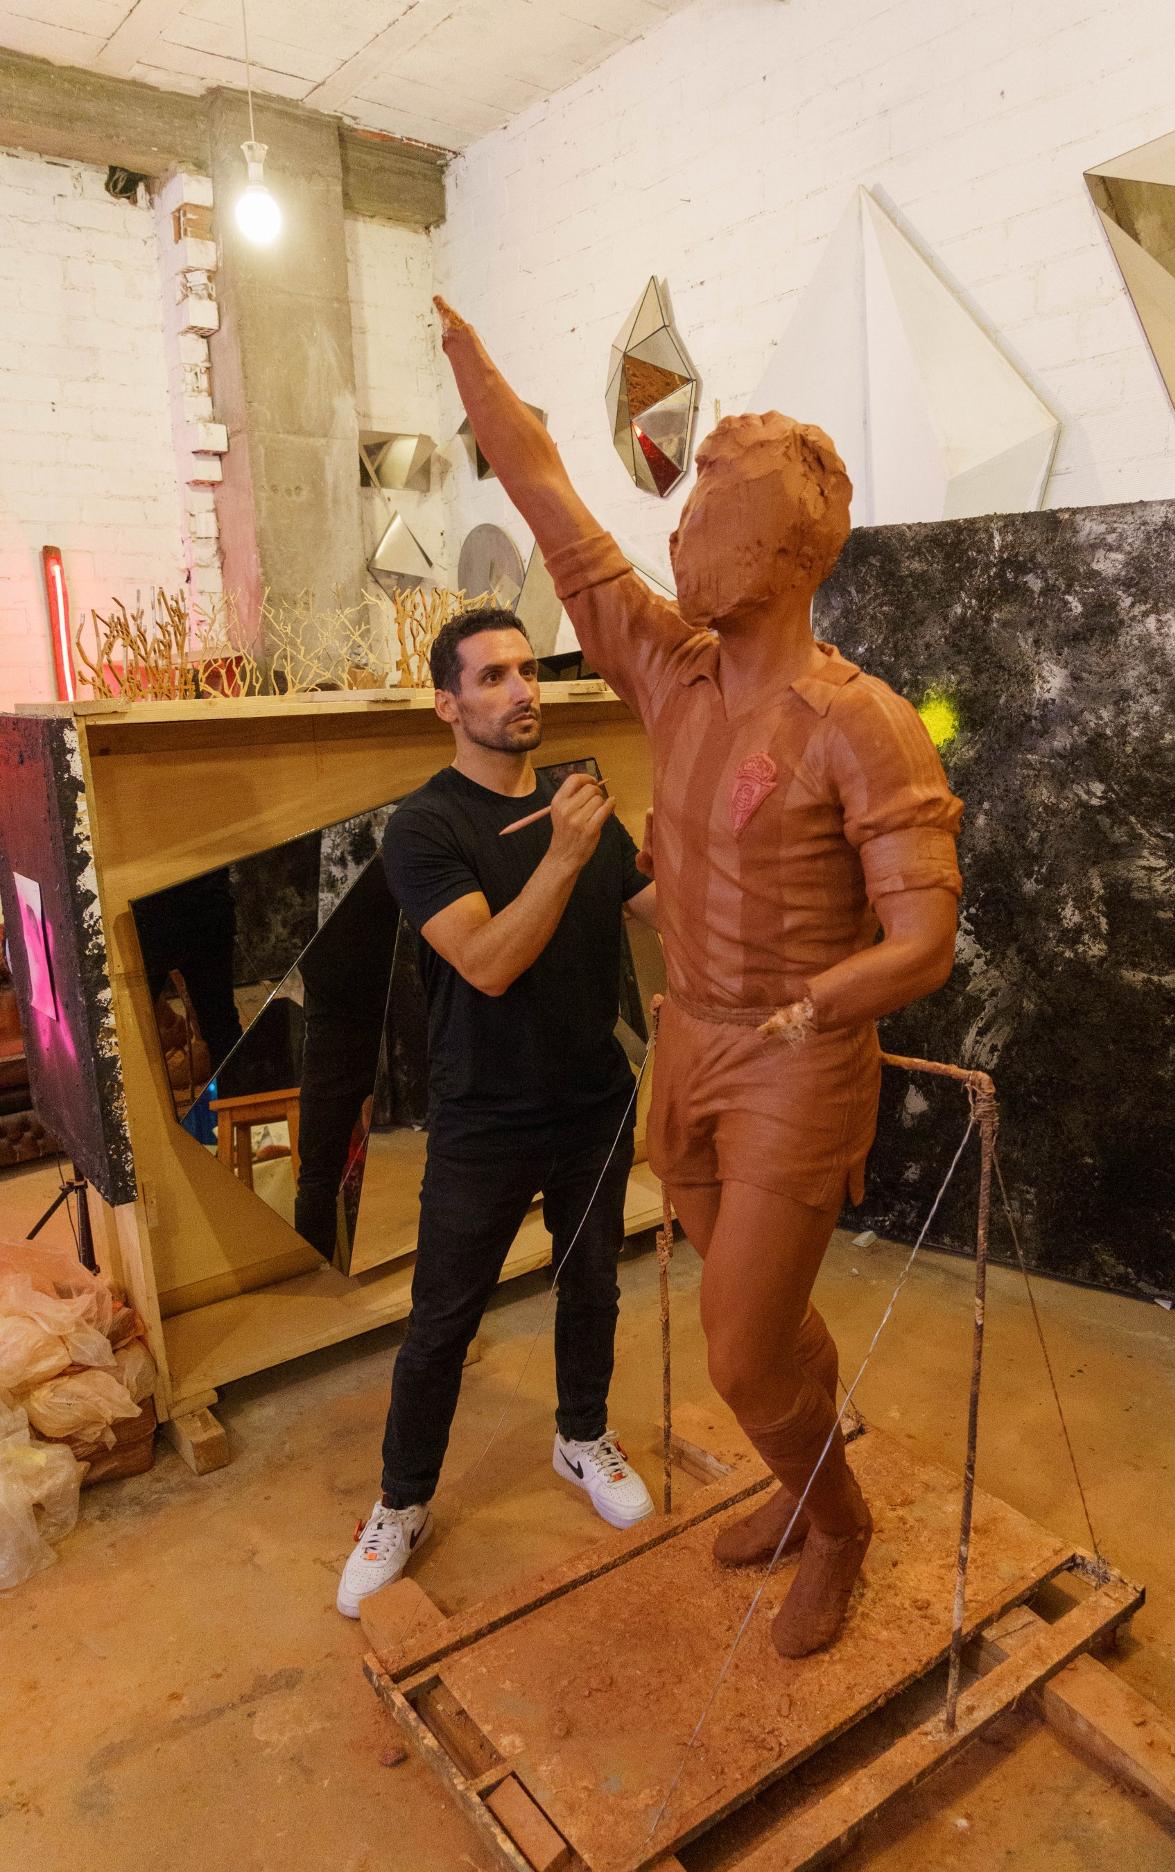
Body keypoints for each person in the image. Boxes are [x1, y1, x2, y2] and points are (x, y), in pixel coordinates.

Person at [433, 298, 963, 1657]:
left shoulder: (864, 725)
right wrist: (485, 391)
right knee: (761, 1330)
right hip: (693, 1047)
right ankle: (808, 1482)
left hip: (794, 1062)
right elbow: (557, 510)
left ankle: (836, 1523)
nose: (679, 538)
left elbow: (924, 938)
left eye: (710, 518)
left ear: (787, 552)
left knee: (736, 1350)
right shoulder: (672, 674)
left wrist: (824, 1003)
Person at [337, 607, 659, 1618]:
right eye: (493, 677)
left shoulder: (581, 805)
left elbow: (657, 906)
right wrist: (566, 853)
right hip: (484, 1117)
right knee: (441, 1324)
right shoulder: (426, 829)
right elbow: (485, 961)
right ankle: (402, 1501)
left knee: (593, 1284)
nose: (522, 691)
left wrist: (715, 830)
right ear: (448, 704)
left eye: (528, 672)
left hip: (593, 1100)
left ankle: (580, 1435)